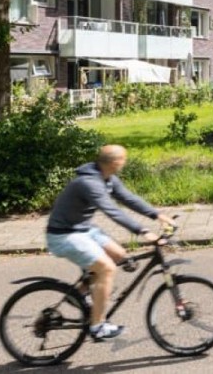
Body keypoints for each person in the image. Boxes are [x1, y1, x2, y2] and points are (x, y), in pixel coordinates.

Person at [46, 145, 175, 341]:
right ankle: (98, 326)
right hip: (64, 235)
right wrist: (143, 231)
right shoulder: (89, 182)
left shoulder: (107, 178)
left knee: (120, 255)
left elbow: (128, 198)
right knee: (107, 269)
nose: (125, 163)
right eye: (123, 159)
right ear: (114, 162)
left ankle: (78, 294)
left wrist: (157, 215)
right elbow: (112, 211)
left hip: (83, 229)